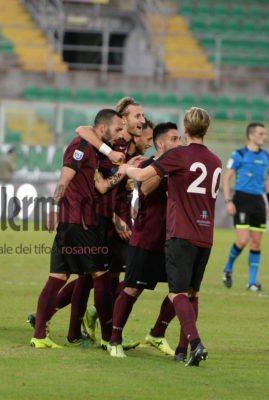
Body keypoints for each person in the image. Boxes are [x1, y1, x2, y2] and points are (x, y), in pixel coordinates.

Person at [119, 107, 222, 366]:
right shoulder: (216, 161)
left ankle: (195, 343)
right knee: (192, 294)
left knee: (177, 293)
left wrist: (125, 168)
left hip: (181, 233)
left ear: (185, 129)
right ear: (207, 129)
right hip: (206, 234)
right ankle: (180, 351)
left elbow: (142, 176)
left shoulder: (179, 155)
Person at [30, 109, 124, 349]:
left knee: (58, 277)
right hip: (79, 222)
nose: (119, 135)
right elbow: (64, 178)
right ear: (102, 128)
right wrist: (53, 208)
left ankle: (39, 336)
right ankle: (110, 340)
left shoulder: (94, 147)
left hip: (73, 221)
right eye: (117, 129)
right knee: (101, 276)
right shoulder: (80, 145)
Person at [109, 122, 182, 359]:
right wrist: (164, 167)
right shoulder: (147, 165)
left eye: (180, 139)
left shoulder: (180, 167)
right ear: (160, 143)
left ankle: (157, 333)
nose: (179, 143)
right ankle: (114, 340)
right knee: (133, 288)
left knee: (181, 290)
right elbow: (147, 189)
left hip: (173, 239)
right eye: (174, 139)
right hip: (147, 237)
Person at [222, 123, 269, 292]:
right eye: (261, 134)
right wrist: (228, 201)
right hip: (242, 201)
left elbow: (267, 180)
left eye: (265, 134)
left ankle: (252, 283)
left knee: (256, 244)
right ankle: (228, 268)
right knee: (243, 241)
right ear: (251, 136)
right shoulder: (239, 154)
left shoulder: (265, 155)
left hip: (258, 202)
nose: (264, 137)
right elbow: (226, 178)